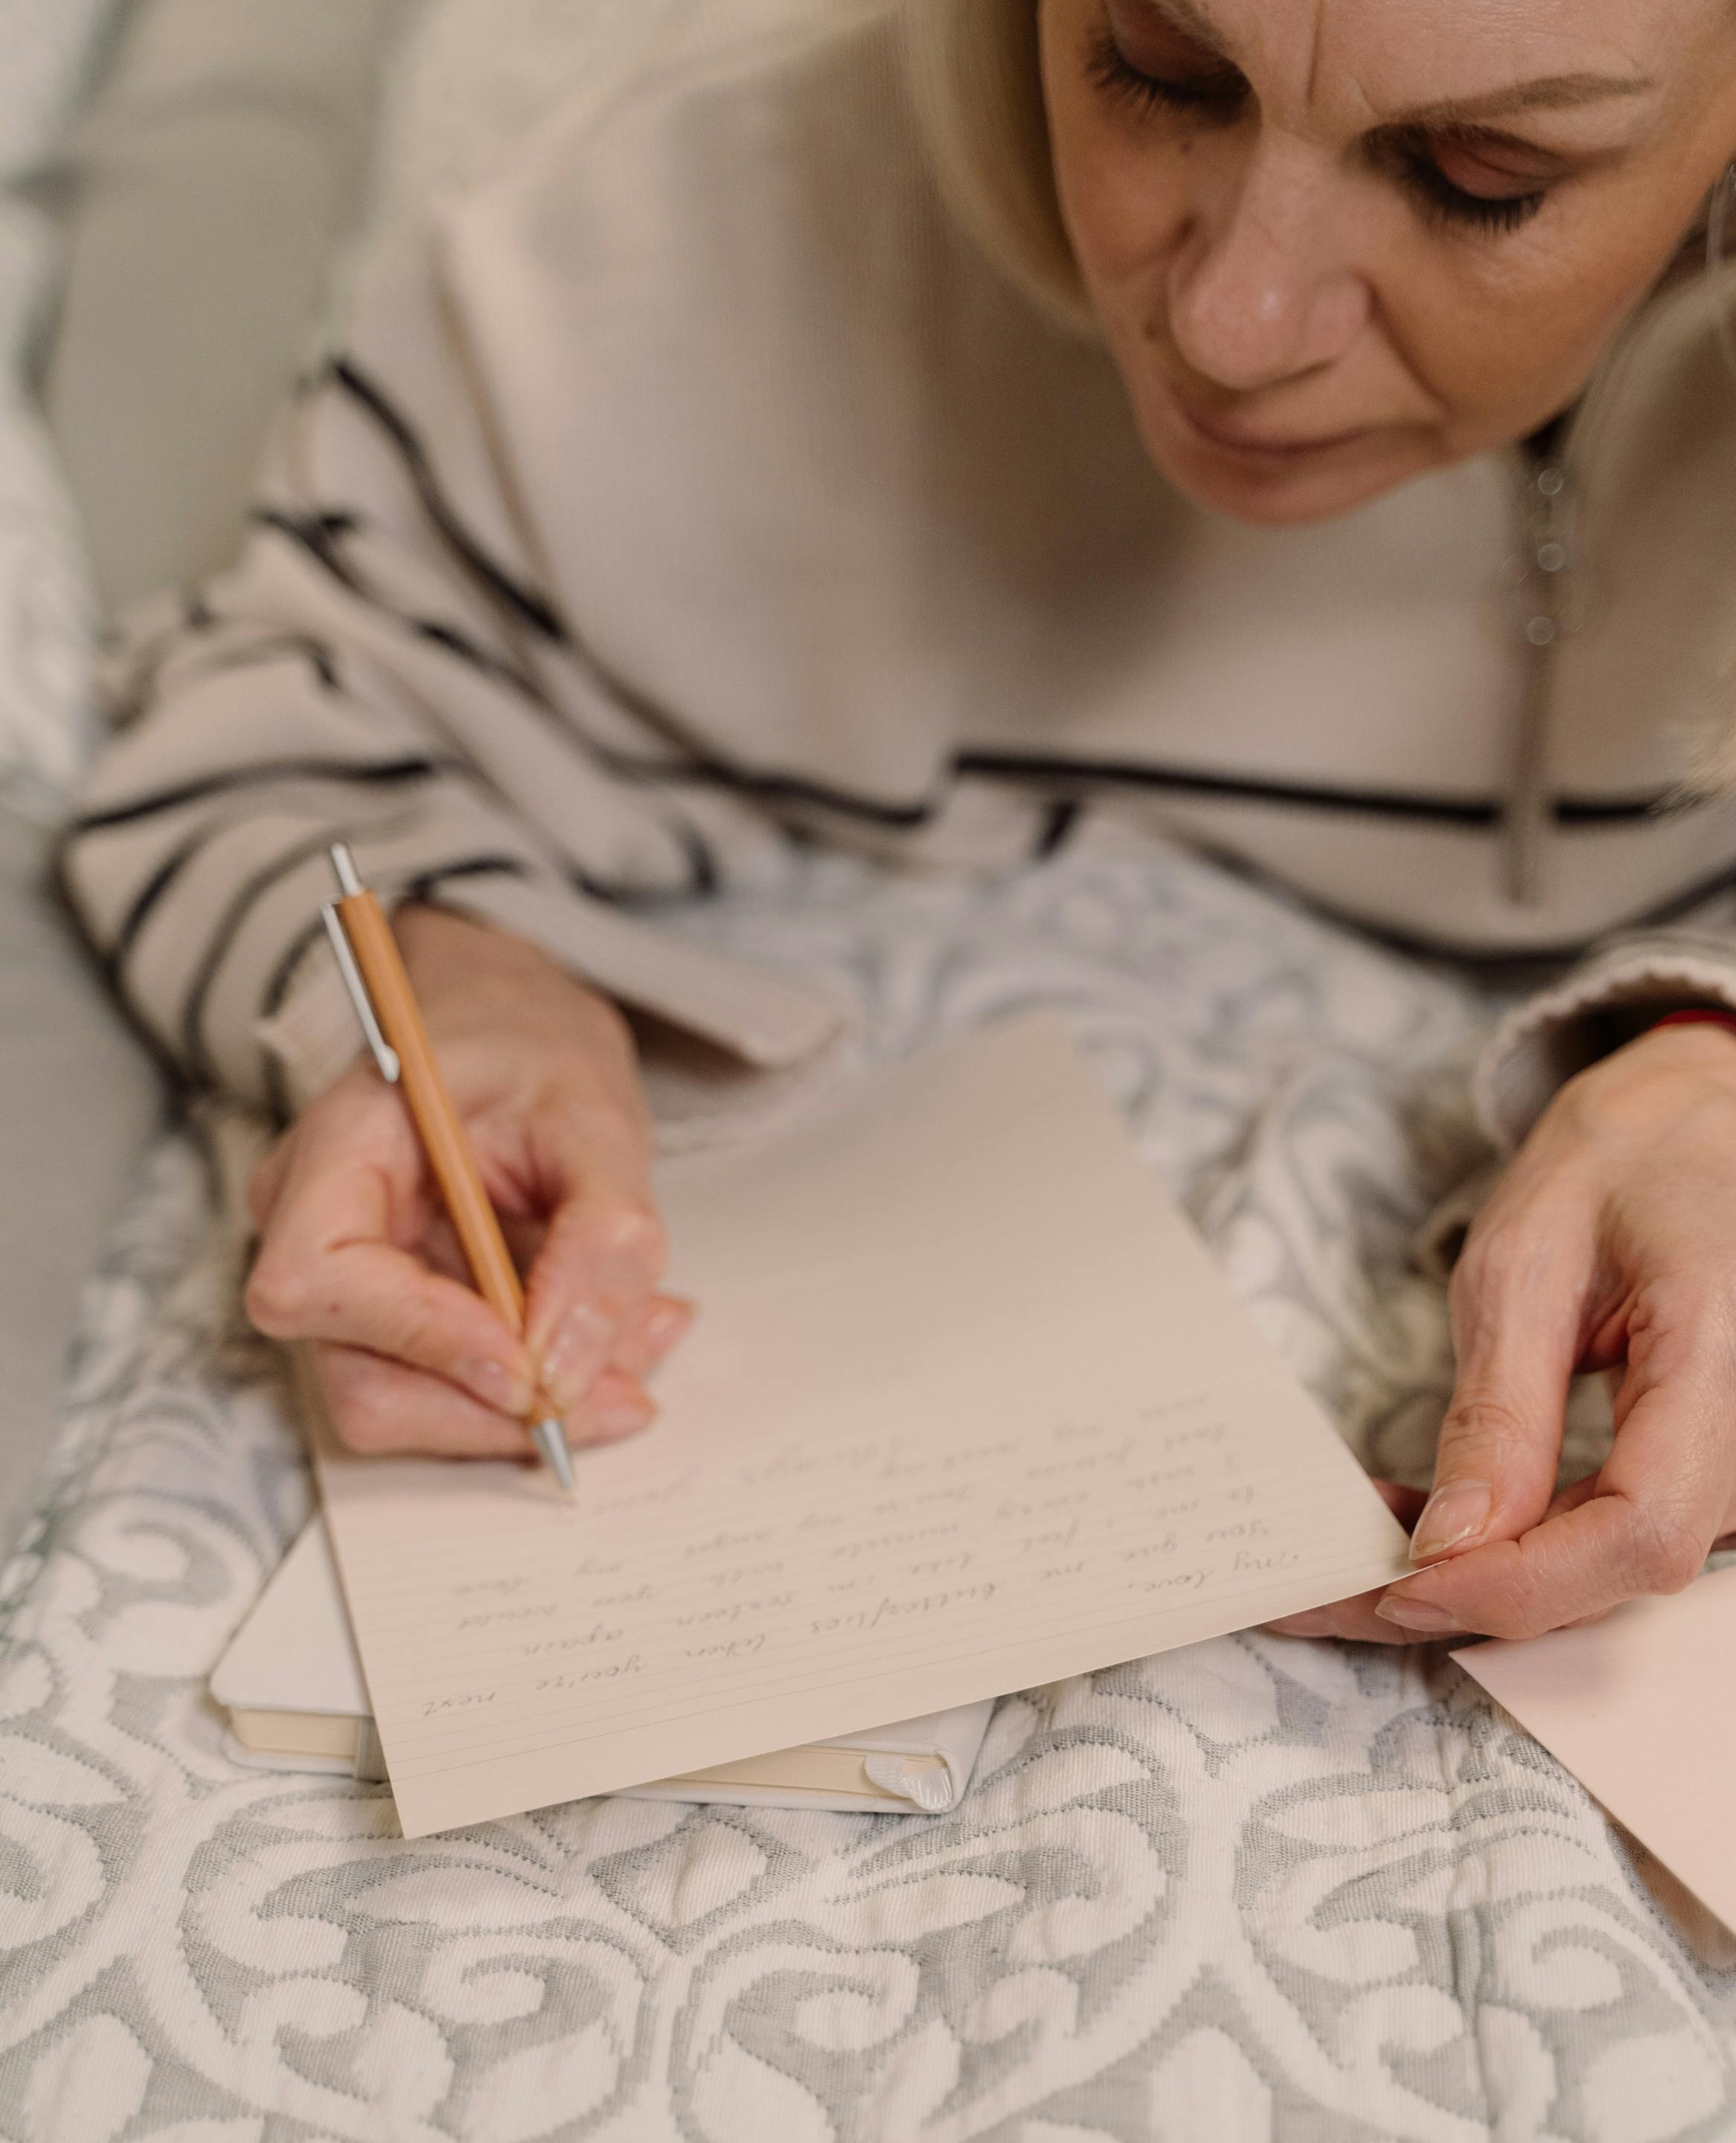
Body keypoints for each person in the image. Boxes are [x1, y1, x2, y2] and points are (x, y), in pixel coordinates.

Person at [60, 0, 1736, 1648]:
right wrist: (459, 975)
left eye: (1478, 168)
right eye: (1158, 69)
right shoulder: (692, 253)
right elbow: (267, 721)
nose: (1234, 320)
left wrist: (1704, 1047)